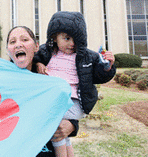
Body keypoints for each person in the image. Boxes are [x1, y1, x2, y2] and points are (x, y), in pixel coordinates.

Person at [34, 11, 116, 157]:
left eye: (76, 39)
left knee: (56, 125)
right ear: (54, 37)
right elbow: (34, 58)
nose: (72, 44)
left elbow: (99, 75)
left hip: (75, 103)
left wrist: (108, 67)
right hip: (57, 99)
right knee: (62, 134)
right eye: (66, 38)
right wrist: (39, 64)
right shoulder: (48, 53)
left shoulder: (86, 57)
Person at [6, 26, 77, 157]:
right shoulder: (3, 82)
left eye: (25, 39)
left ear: (36, 47)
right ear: (8, 51)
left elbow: (67, 105)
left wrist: (72, 125)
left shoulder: (49, 77)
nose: (18, 45)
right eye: (12, 42)